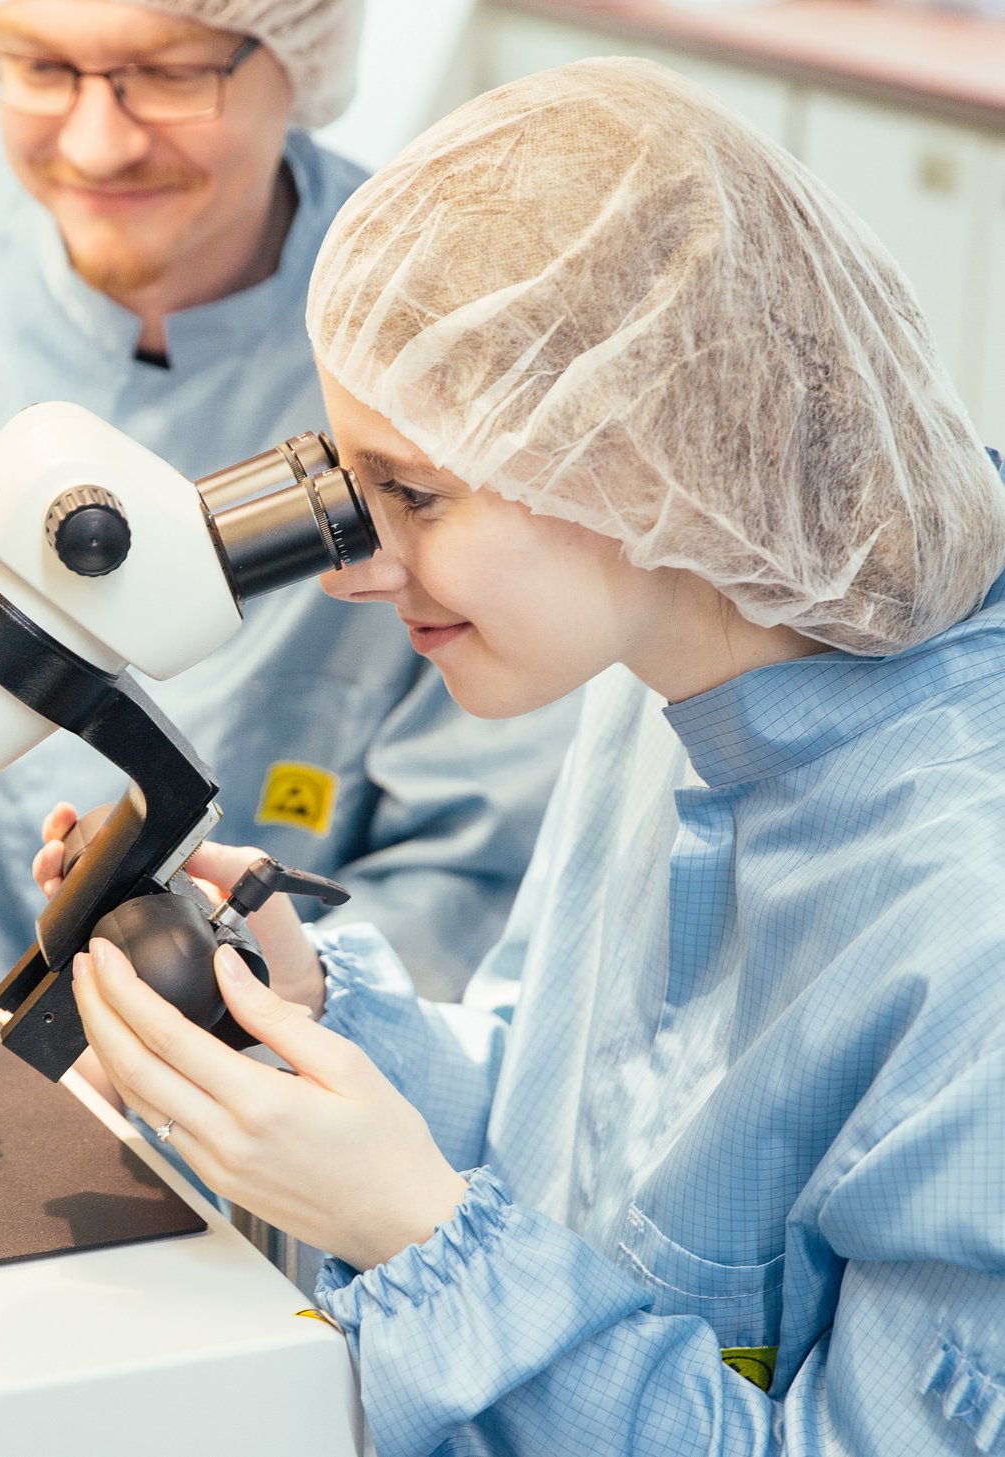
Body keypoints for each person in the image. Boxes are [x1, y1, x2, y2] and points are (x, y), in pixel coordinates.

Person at [54, 59, 1005, 1456]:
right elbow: (581, 1127)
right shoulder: (669, 671)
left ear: (645, 455)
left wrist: (415, 1234)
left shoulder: (964, 921)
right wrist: (313, 1011)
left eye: (415, 494)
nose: (351, 571)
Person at [0, 0, 577, 1020]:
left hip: (266, 1106)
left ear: (299, 56)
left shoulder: (440, 324)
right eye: (41, 64)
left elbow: (472, 863)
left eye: (167, 74)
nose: (98, 143)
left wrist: (248, 1037)